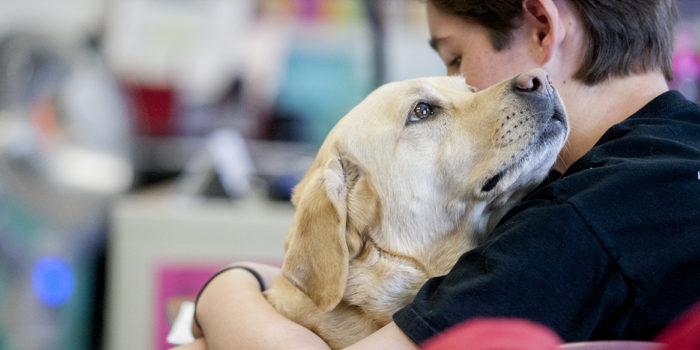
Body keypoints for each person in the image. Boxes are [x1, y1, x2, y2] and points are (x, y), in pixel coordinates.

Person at [174, 0, 700, 349]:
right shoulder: (674, 152)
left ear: (544, 27)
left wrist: (220, 293)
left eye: (455, 58)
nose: (461, 87)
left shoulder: (577, 224)